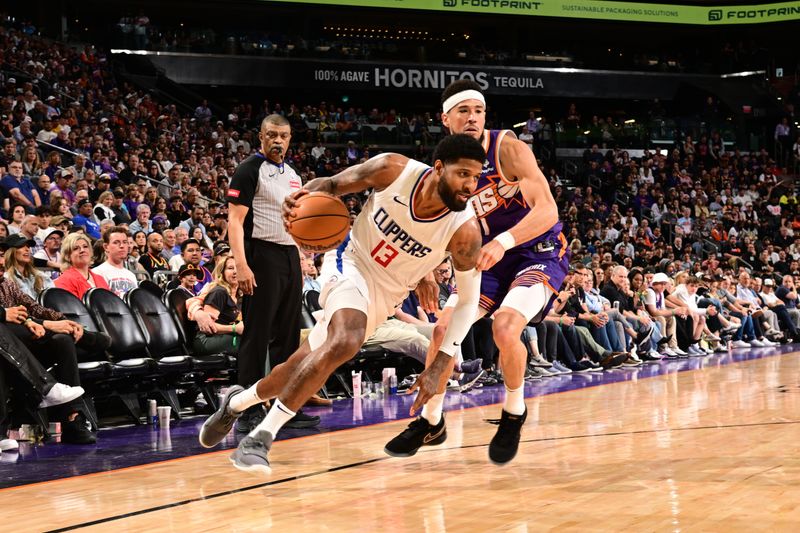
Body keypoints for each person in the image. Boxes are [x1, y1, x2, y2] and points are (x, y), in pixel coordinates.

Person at [199, 133, 486, 474]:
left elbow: (468, 302)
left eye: (476, 177)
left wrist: (441, 363)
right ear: (438, 168)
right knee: (346, 340)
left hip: (387, 293)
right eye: (463, 174)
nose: (470, 185)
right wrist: (302, 197)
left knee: (295, 369)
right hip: (350, 261)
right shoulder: (392, 170)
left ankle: (236, 402)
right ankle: (261, 437)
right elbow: (331, 185)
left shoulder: (464, 232)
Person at [383, 79, 570, 465]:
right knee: (442, 329)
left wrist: (504, 240)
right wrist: (425, 271)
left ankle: (514, 411)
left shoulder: (507, 148)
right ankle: (431, 420)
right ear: (446, 118)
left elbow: (548, 209)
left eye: (479, 110)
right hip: (489, 260)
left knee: (505, 326)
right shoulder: (443, 168)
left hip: (537, 250)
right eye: (463, 111)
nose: (472, 118)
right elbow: (435, 228)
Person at [212, 114, 318, 435]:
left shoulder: (295, 176)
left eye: (283, 136)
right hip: (260, 254)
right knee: (257, 335)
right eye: (271, 134)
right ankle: (248, 410)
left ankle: (285, 407)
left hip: (288, 255)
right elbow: (234, 221)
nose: (278, 141)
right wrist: (241, 264)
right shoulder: (248, 170)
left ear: (289, 139)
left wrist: (300, 254)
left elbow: (294, 221)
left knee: (287, 336)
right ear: (260, 137)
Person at [193, 256, 243, 355]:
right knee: (252, 341)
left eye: (238, 267)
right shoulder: (219, 292)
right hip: (207, 340)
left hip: (225, 337)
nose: (235, 272)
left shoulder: (239, 295)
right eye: (230, 268)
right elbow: (208, 328)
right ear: (222, 272)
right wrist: (235, 329)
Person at [55, 233, 110, 299]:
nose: (82, 250)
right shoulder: (64, 280)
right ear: (68, 256)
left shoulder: (100, 278)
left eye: (85, 246)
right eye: (76, 248)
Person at [3, 234, 55, 299]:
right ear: (10, 252)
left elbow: (54, 298)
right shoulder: (6, 278)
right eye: (21, 246)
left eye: (28, 246)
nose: (27, 249)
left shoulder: (40, 276)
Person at [92, 226, 138, 298]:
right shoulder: (97, 273)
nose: (122, 246)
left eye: (125, 242)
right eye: (116, 242)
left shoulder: (131, 275)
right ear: (106, 247)